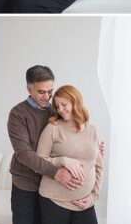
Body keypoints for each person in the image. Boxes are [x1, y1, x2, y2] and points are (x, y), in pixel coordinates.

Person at [8, 66, 86, 224]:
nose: (47, 96)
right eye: (42, 92)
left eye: (50, 91)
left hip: (51, 186)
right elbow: (24, 154)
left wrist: (93, 146)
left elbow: (71, 136)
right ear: (29, 89)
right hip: (26, 185)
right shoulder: (18, 114)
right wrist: (55, 172)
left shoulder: (56, 111)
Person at [36, 85, 102, 224]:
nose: (60, 109)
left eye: (64, 104)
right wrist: (62, 160)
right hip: (53, 201)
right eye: (57, 106)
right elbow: (38, 161)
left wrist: (93, 197)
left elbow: (98, 167)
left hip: (84, 203)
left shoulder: (93, 131)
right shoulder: (53, 128)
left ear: (75, 101)